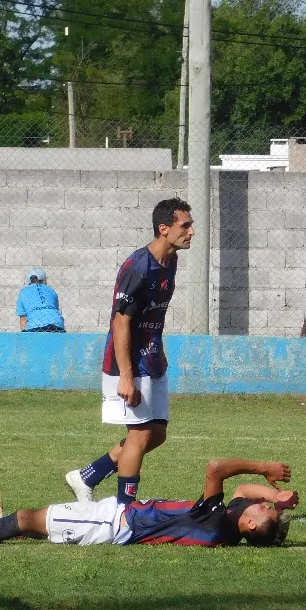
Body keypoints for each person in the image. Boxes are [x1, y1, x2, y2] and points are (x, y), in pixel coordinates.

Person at [65, 198, 194, 506]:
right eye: (185, 225)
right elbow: (121, 322)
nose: (192, 231)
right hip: (129, 364)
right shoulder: (138, 268)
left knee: (157, 434)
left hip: (152, 360)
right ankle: (124, 510)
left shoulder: (170, 260)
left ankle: (88, 476)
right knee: (138, 436)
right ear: (164, 229)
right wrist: (126, 376)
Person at [0, 459, 296, 548]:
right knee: (34, 521)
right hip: (116, 516)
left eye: (265, 512)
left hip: (114, 526)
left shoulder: (215, 524)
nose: (264, 506)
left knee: (29, 518)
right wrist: (275, 496)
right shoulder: (230, 521)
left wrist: (264, 466)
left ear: (248, 525)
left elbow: (218, 469)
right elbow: (244, 489)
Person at [16, 268, 66, 332]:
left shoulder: (23, 291)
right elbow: (55, 310)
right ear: (44, 280)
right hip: (57, 325)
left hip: (35, 326)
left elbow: (23, 318)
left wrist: (24, 336)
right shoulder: (51, 290)